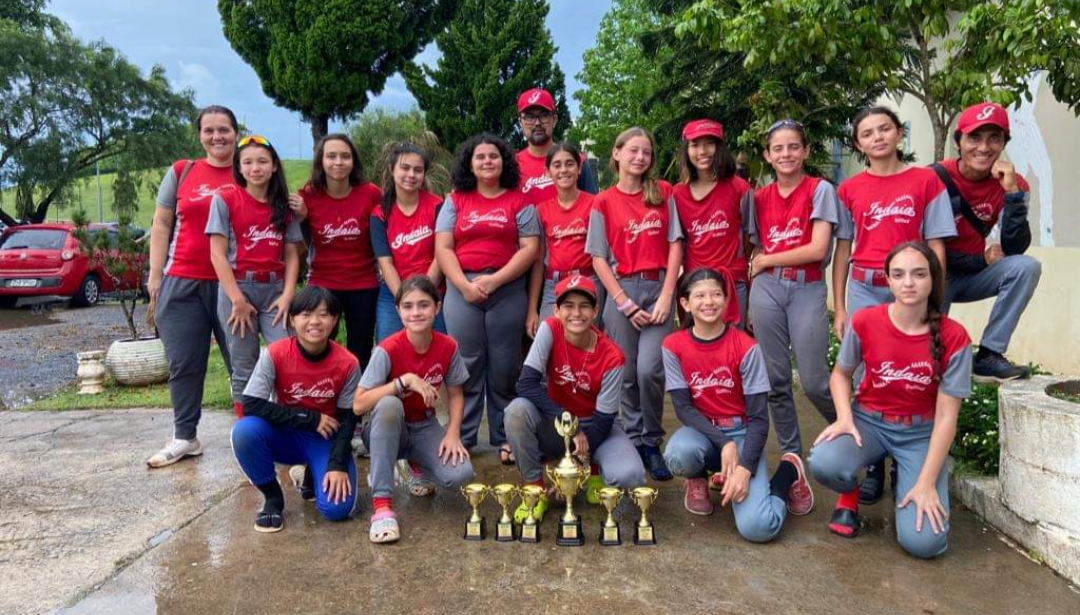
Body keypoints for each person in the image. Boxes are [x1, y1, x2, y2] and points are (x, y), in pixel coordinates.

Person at [808, 242, 972, 558]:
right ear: (888, 279)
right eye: (898, 274)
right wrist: (844, 418)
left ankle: (908, 480)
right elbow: (841, 374)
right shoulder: (866, 321)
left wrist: (925, 483)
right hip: (869, 423)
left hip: (919, 434)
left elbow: (946, 416)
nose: (908, 282)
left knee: (924, 544)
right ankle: (851, 491)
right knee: (824, 462)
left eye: (919, 274)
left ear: (933, 279)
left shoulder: (954, 337)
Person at [834, 107, 957, 504]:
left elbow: (936, 241)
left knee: (918, 370)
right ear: (858, 144)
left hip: (911, 285)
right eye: (867, 133)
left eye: (885, 128)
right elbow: (843, 248)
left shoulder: (925, 181)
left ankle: (909, 458)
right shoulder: (849, 189)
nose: (878, 137)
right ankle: (872, 461)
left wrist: (936, 296)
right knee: (865, 375)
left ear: (899, 133)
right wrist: (840, 305)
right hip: (866, 285)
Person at [662, 268, 808, 542]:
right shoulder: (673, 345)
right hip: (704, 434)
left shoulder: (746, 347)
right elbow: (683, 409)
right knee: (677, 455)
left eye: (716, 294)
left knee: (759, 528)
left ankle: (789, 471)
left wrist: (744, 468)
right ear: (685, 303)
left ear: (727, 299)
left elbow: (759, 419)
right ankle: (699, 478)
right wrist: (723, 442)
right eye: (700, 295)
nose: (709, 302)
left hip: (744, 434)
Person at [746, 119, 839, 514]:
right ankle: (792, 459)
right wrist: (761, 266)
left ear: (805, 151)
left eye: (793, 147)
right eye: (777, 148)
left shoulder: (820, 190)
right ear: (767, 155)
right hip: (767, 288)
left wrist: (767, 258)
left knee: (816, 380)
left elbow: (818, 249)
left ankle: (856, 432)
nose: (785, 154)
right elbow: (753, 245)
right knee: (775, 381)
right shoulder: (759, 196)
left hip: (805, 285)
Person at [435, 134, 541, 460]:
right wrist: (465, 286)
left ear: (503, 161)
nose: (486, 162)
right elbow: (443, 247)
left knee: (505, 364)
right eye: (479, 157)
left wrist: (495, 281)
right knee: (466, 362)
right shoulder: (455, 200)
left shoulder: (519, 201)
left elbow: (531, 249)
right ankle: (463, 436)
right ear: (470, 163)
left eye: (493, 156)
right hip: (462, 286)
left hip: (507, 287)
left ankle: (504, 435)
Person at [586, 126, 683, 481]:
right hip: (621, 290)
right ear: (617, 154)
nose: (640, 157)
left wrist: (668, 294)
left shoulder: (663, 193)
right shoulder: (603, 201)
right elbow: (597, 257)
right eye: (633, 151)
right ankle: (633, 438)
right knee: (626, 372)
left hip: (658, 289)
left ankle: (652, 440)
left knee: (649, 369)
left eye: (646, 152)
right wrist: (622, 300)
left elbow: (676, 244)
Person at [506, 275, 645, 522]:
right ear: (557, 310)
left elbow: (603, 421)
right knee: (516, 412)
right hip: (556, 422)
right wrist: (567, 419)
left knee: (630, 475)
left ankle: (592, 473)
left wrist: (574, 474)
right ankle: (536, 490)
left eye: (584, 306)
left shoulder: (613, 356)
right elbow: (526, 383)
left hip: (595, 426)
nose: (576, 313)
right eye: (568, 306)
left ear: (595, 311)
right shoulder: (550, 328)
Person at [146, 105, 238, 468]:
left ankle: (254, 435)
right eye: (210, 130)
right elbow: (161, 223)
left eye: (224, 129)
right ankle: (185, 436)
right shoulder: (183, 172)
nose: (217, 137)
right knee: (184, 363)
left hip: (233, 283)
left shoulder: (249, 169)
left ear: (236, 132)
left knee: (242, 364)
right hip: (182, 281)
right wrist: (156, 276)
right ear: (200, 135)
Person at [353, 276, 474, 543]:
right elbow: (359, 403)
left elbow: (455, 393)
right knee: (389, 404)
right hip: (385, 428)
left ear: (437, 308)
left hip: (423, 424)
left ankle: (415, 463)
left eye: (423, 305)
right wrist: (402, 382)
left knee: (461, 475)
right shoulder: (387, 349)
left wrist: (453, 433)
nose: (416, 312)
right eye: (408, 306)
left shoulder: (448, 346)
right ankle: (382, 505)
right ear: (398, 311)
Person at [231, 286, 361, 533]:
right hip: (286, 433)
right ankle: (272, 498)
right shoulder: (276, 353)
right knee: (244, 431)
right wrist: (309, 418)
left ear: (334, 320)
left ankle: (315, 470)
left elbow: (348, 417)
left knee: (337, 510)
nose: (314, 322)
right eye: (305, 314)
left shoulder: (348, 363)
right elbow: (251, 403)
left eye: (323, 315)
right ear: (292, 319)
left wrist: (337, 464)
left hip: (325, 439)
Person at [933, 102, 1041, 382]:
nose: (984, 147)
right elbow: (922, 248)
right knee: (929, 361)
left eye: (994, 138)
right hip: (934, 275)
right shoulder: (932, 178)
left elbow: (1015, 248)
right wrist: (979, 259)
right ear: (959, 142)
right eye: (975, 137)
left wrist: (1013, 193)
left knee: (1026, 267)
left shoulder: (1013, 183)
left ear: (1004, 143)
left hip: (973, 276)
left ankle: (989, 355)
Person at [207, 135, 303, 413]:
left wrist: (288, 295)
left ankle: (288, 426)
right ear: (238, 167)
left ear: (274, 166)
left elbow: (291, 253)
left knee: (287, 357)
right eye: (247, 162)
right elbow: (217, 254)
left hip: (274, 291)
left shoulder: (283, 204)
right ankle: (247, 430)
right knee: (244, 364)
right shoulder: (226, 199)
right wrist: (236, 299)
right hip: (238, 289)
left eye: (262, 161)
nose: (255, 168)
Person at [289, 134, 382, 368]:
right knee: (317, 342)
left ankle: (355, 400)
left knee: (360, 347)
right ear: (321, 162)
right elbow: (296, 241)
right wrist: (300, 218)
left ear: (353, 162)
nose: (338, 162)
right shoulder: (308, 196)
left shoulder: (370, 193)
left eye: (345, 156)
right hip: (323, 282)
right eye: (331, 156)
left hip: (363, 283)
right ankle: (319, 393)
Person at [671, 119, 753, 325]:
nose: (702, 151)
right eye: (695, 145)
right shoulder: (677, 194)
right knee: (697, 349)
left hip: (732, 283)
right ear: (686, 150)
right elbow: (677, 242)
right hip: (695, 285)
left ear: (720, 147)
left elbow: (750, 237)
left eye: (709, 143)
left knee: (733, 347)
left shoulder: (739, 188)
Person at [526, 142, 604, 338]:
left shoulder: (595, 203)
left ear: (579, 169)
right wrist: (532, 309)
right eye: (557, 165)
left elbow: (604, 253)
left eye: (570, 164)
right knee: (547, 340)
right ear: (547, 172)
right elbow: (538, 261)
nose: (564, 170)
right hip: (554, 284)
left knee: (590, 340)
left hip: (590, 280)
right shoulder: (541, 210)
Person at [370, 142, 447, 341]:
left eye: (418, 170)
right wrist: (405, 300)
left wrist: (424, 296)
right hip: (394, 292)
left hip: (434, 289)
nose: (411, 175)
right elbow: (385, 263)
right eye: (405, 168)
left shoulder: (437, 205)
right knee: (389, 346)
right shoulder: (380, 213)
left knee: (438, 346)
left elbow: (441, 255)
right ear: (392, 169)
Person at [514, 88, 598, 202]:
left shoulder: (577, 161)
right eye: (529, 117)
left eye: (544, 115)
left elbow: (593, 208)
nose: (537, 123)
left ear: (554, 120)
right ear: (520, 123)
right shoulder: (512, 166)